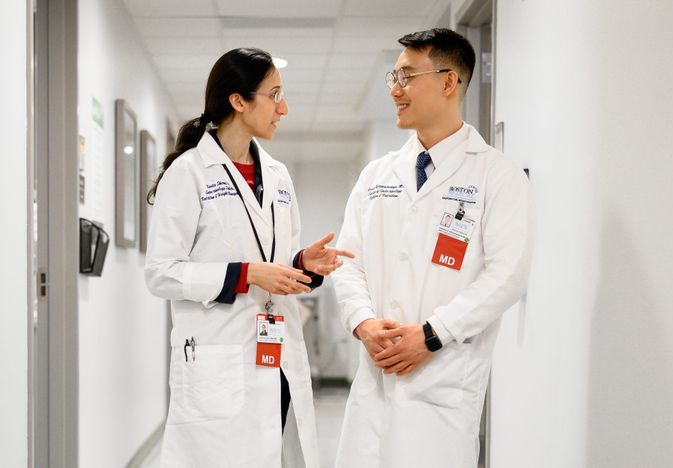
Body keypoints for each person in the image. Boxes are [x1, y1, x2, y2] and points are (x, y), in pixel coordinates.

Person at [332, 28, 532, 468]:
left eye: (406, 77)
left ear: (448, 82)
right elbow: (347, 263)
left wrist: (431, 334)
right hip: (375, 381)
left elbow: (508, 275)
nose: (395, 90)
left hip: (442, 384)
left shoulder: (497, 177)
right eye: (393, 77)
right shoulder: (377, 175)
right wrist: (364, 323)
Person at [145, 47, 353, 468]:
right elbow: (161, 274)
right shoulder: (188, 173)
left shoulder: (277, 176)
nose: (284, 107)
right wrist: (247, 275)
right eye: (274, 94)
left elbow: (274, 261)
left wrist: (302, 266)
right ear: (238, 101)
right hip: (219, 359)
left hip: (275, 357)